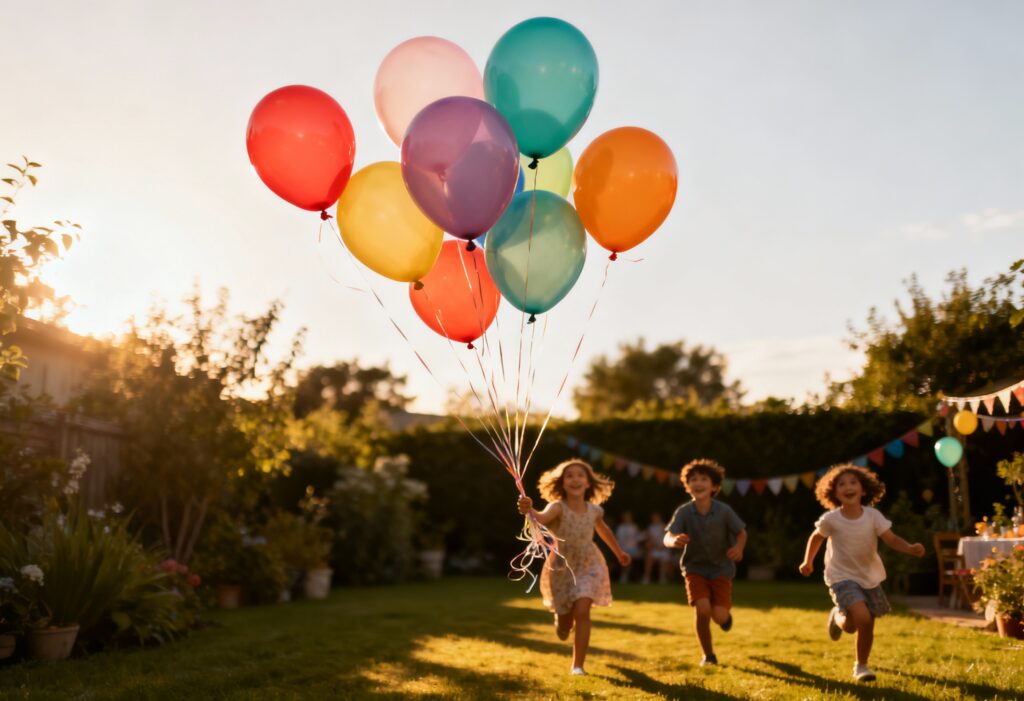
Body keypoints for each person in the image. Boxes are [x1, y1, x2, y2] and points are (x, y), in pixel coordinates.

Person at [799, 464, 925, 683]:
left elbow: (891, 539)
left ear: (863, 490)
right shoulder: (832, 519)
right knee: (862, 617)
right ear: (834, 492)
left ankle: (860, 661)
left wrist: (910, 548)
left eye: (853, 482)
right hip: (841, 576)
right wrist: (807, 561)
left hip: (869, 577)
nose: (848, 487)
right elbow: (817, 537)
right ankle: (859, 664)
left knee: (858, 625)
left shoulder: (873, 516)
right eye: (842, 484)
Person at [517, 459, 631, 676]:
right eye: (569, 475)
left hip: (590, 564)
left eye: (580, 475)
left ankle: (577, 665)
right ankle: (561, 624)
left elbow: (604, 531)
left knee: (583, 609)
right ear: (562, 483)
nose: (575, 479)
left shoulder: (595, 511)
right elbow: (540, 518)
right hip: (562, 568)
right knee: (565, 622)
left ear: (588, 482)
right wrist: (529, 509)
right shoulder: (557, 507)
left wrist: (619, 552)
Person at [663, 459, 746, 666]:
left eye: (703, 479)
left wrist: (738, 548)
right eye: (693, 479)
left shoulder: (724, 511)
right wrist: (674, 540)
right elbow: (668, 535)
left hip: (721, 570)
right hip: (695, 569)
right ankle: (708, 655)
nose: (698, 483)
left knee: (718, 616)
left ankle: (725, 619)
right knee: (702, 609)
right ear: (687, 486)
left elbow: (741, 532)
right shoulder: (684, 512)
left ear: (715, 486)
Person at [643, 512, 672, 584]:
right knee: (649, 559)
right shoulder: (650, 528)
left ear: (659, 517)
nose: (655, 519)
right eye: (653, 517)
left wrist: (662, 546)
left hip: (663, 549)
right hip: (654, 549)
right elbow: (648, 540)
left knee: (664, 560)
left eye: (656, 517)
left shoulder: (665, 526)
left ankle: (662, 578)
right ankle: (646, 578)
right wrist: (653, 546)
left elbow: (669, 538)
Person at [614, 510, 642, 583]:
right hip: (622, 548)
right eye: (626, 517)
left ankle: (625, 575)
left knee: (628, 556)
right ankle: (624, 575)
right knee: (624, 556)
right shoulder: (620, 527)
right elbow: (617, 539)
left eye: (628, 517)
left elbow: (638, 538)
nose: (627, 518)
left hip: (633, 549)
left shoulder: (634, 527)